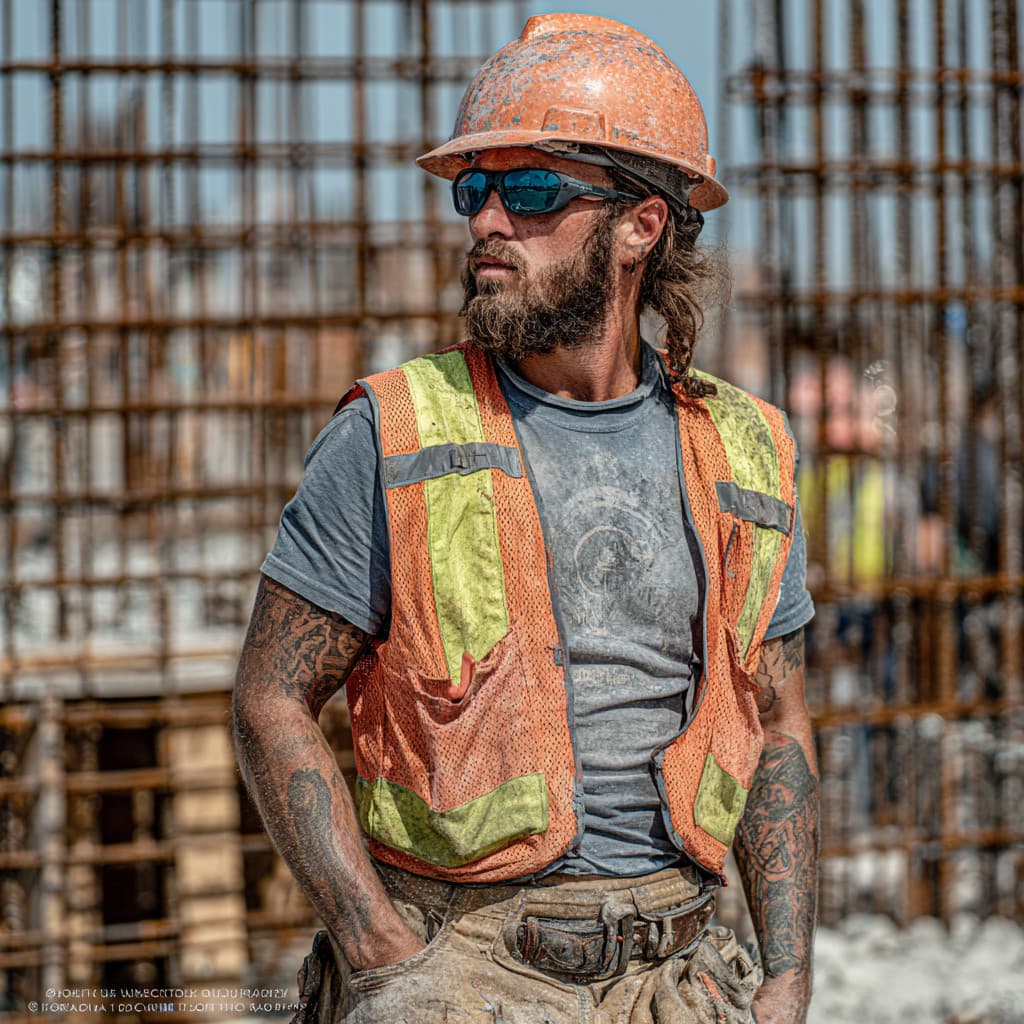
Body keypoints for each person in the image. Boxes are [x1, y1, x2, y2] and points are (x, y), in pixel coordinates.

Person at [233, 14, 819, 1024]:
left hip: (680, 967)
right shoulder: (394, 434)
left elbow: (777, 725)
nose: (487, 222)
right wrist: (378, 949)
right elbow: (268, 697)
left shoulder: (746, 449)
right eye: (475, 190)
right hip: (467, 968)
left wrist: (787, 973)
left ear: (642, 225)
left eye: (533, 190)